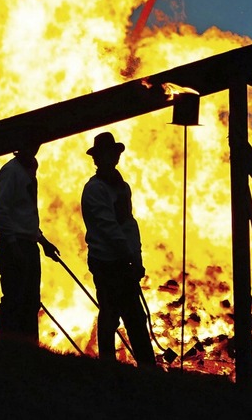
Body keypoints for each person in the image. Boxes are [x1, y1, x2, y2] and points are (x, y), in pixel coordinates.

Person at [80, 132, 155, 366]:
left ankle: (147, 366)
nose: (112, 157)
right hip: (106, 262)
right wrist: (129, 257)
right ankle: (107, 363)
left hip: (123, 261)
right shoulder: (95, 190)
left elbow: (129, 224)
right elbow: (108, 228)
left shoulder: (122, 188)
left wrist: (137, 258)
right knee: (111, 314)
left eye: (115, 153)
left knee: (135, 316)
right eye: (106, 153)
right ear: (97, 158)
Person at [0, 142, 60, 345]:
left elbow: (24, 214)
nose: (33, 148)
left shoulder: (29, 170)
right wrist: (12, 244)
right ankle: (8, 346)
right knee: (14, 297)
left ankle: (28, 348)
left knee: (30, 300)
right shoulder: (11, 172)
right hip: (15, 244)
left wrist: (42, 241)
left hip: (28, 243)